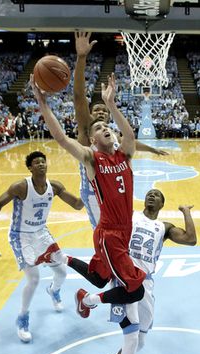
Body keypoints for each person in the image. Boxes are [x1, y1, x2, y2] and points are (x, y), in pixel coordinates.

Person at [34, 74, 153, 354]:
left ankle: (80, 285)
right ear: (92, 139)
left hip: (122, 233)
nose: (107, 131)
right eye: (100, 128)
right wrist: (42, 103)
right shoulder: (92, 159)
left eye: (109, 128)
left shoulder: (125, 155)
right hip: (109, 236)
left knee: (103, 277)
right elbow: (59, 136)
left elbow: (129, 135)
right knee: (134, 294)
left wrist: (113, 105)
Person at [69, 189, 197, 354]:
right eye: (149, 193)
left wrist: (186, 212)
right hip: (124, 279)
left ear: (162, 202)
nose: (152, 196)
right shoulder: (130, 216)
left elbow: (191, 239)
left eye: (157, 194)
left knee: (140, 342)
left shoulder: (164, 227)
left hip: (145, 283)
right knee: (131, 339)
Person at [0, 151, 83, 343]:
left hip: (41, 234)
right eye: (37, 162)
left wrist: (91, 191)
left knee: (61, 272)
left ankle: (53, 290)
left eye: (43, 161)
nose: (41, 165)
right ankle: (23, 318)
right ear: (30, 167)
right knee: (34, 279)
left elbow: (77, 205)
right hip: (21, 237)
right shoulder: (20, 186)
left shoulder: (55, 186)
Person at [72, 31, 169, 228]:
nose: (100, 112)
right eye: (95, 110)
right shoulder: (86, 132)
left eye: (103, 110)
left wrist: (152, 149)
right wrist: (82, 58)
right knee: (108, 233)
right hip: (95, 190)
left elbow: (129, 143)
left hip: (117, 187)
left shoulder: (110, 134)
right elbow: (79, 97)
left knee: (124, 232)